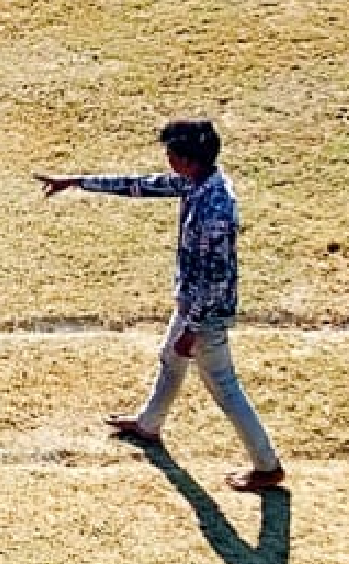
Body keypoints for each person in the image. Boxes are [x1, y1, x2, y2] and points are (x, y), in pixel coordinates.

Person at [37, 120, 286, 494]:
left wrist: (192, 328)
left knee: (223, 386)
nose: (166, 161)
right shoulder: (198, 182)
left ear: (187, 161)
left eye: (171, 154)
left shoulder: (214, 212)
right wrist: (77, 181)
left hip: (204, 313)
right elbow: (139, 185)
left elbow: (214, 279)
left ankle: (267, 466)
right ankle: (150, 424)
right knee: (170, 360)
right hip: (194, 305)